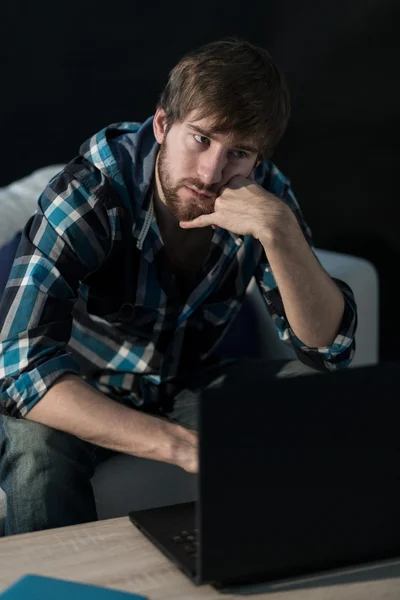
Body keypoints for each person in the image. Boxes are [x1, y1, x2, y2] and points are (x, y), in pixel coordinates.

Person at [0, 37, 357, 536]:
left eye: (238, 152)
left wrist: (281, 232)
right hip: (80, 390)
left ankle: (291, 568)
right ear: (163, 124)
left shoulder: (266, 195)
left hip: (183, 384)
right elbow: (20, 366)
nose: (212, 173)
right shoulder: (90, 192)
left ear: (259, 158)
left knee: (329, 395)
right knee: (34, 444)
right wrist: (176, 445)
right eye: (202, 139)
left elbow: (329, 350)